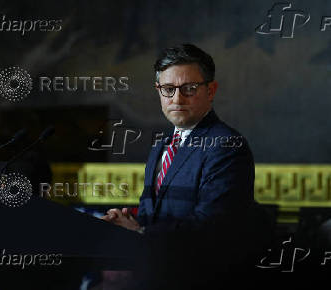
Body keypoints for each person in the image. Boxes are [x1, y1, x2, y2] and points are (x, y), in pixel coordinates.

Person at [101, 43, 271, 289]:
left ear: (211, 90)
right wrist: (127, 220)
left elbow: (213, 227)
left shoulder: (226, 145)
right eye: (168, 89)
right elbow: (157, 212)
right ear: (158, 91)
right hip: (157, 274)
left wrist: (141, 233)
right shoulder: (162, 145)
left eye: (189, 88)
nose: (177, 98)